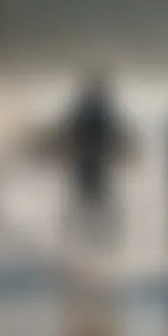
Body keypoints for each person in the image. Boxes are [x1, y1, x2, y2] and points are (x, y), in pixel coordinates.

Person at [65, 67, 122, 245]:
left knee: (87, 197)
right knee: (96, 197)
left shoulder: (85, 107)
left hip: (87, 159)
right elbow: (112, 134)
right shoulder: (99, 108)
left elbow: (72, 133)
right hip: (95, 159)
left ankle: (83, 234)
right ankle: (95, 235)